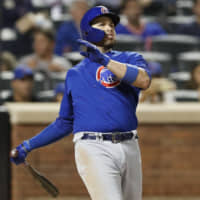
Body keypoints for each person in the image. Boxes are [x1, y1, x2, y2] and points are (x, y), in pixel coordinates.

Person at [10, 6, 151, 200]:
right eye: (102, 24)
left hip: (130, 144)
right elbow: (65, 122)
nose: (109, 28)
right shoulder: (75, 74)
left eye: (111, 25)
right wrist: (28, 145)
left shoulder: (130, 59)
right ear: (87, 31)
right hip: (94, 146)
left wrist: (105, 61)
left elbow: (144, 81)